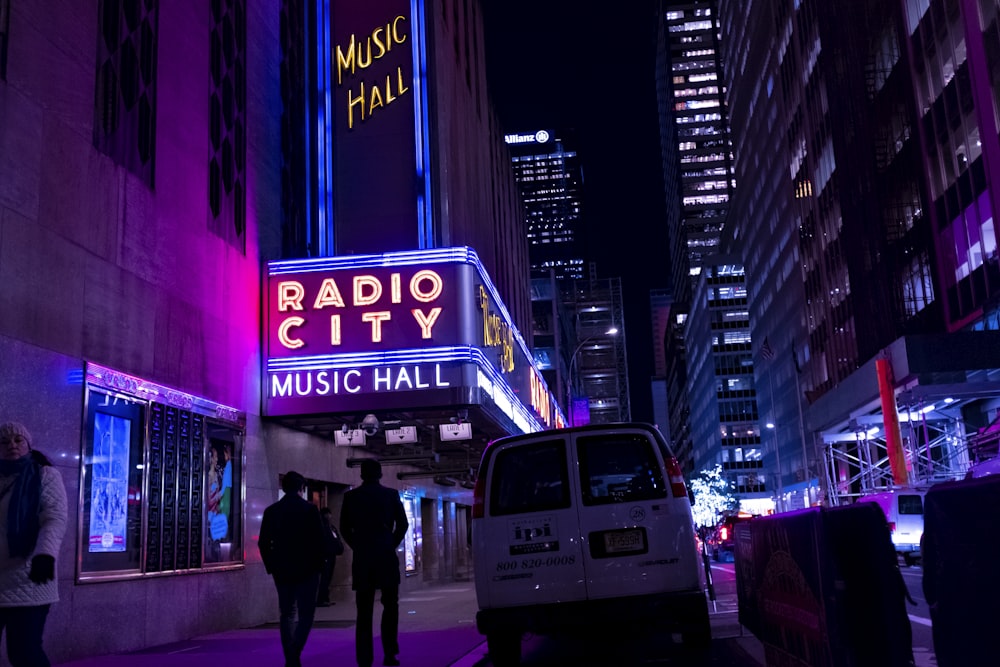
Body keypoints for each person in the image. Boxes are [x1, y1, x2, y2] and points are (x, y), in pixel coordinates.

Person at [0, 421, 68, 667]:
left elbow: (54, 518)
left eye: (18, 440)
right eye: (5, 442)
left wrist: (46, 554)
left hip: (29, 576)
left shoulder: (44, 475)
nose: (12, 446)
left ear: (28, 444)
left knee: (24, 653)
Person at [340, 459, 408, 667]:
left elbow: (344, 528)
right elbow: (403, 524)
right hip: (386, 556)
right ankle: (389, 653)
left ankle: (364, 657)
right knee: (390, 606)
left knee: (364, 609)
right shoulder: (390, 495)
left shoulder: (351, 497)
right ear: (380, 474)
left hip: (363, 558)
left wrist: (357, 545)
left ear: (361, 475)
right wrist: (391, 543)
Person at [258, 471, 326, 667]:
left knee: (286, 612)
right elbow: (319, 541)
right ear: (301, 488)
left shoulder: (272, 511)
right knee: (306, 614)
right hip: (308, 569)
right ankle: (295, 651)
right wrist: (319, 566)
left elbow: (263, 543)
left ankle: (290, 653)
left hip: (282, 569)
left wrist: (271, 566)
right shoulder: (310, 510)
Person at [316, 507, 343, 607]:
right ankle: (321, 599)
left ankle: (325, 598)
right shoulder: (323, 527)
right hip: (325, 555)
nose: (329, 516)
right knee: (325, 577)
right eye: (327, 514)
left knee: (328, 577)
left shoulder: (331, 527)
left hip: (331, 555)